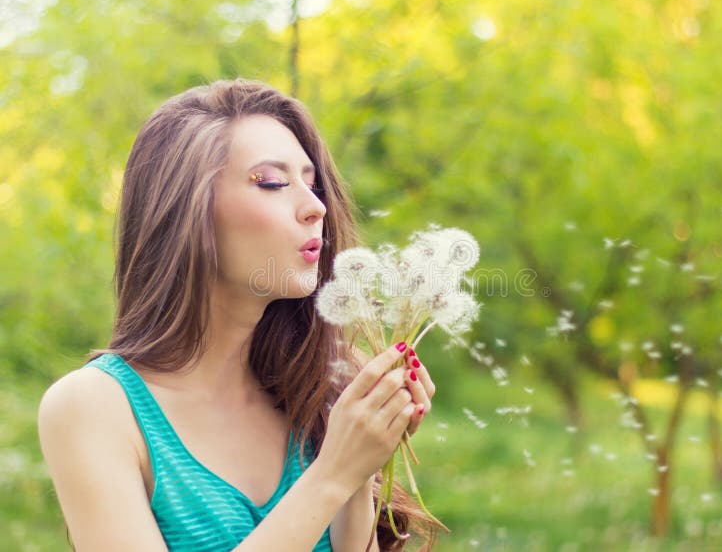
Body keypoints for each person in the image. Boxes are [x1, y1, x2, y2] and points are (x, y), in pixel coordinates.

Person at [37, 79, 439, 551]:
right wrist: (333, 473)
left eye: (311, 184)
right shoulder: (94, 407)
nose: (315, 207)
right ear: (186, 212)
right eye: (271, 182)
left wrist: (361, 468)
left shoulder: (323, 384)